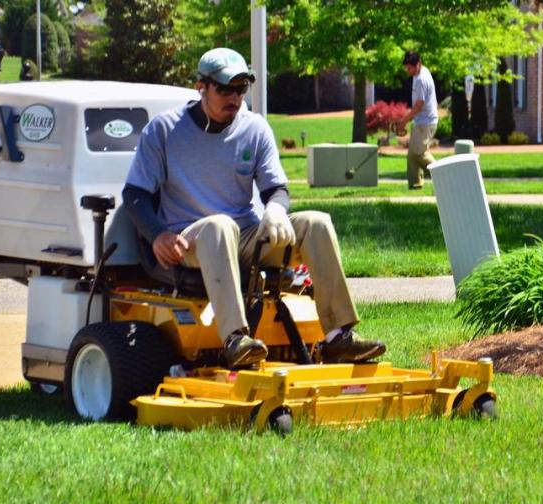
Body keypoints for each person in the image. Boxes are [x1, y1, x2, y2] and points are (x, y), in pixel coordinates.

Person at [123, 48, 385, 369]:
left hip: (246, 237)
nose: (234, 98)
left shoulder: (255, 128)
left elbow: (276, 189)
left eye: (241, 89)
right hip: (190, 240)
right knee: (220, 226)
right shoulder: (163, 131)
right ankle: (235, 339)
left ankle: (337, 338)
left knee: (316, 223)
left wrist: (275, 209)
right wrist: (157, 234)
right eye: (225, 89)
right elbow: (135, 195)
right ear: (200, 87)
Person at [397, 51, 438, 190]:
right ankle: (415, 184)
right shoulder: (420, 72)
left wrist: (404, 121)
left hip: (425, 122)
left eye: (409, 68)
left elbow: (419, 105)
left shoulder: (421, 80)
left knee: (419, 153)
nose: (407, 71)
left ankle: (442, 176)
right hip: (421, 121)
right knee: (412, 155)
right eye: (406, 67)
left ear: (418, 64)